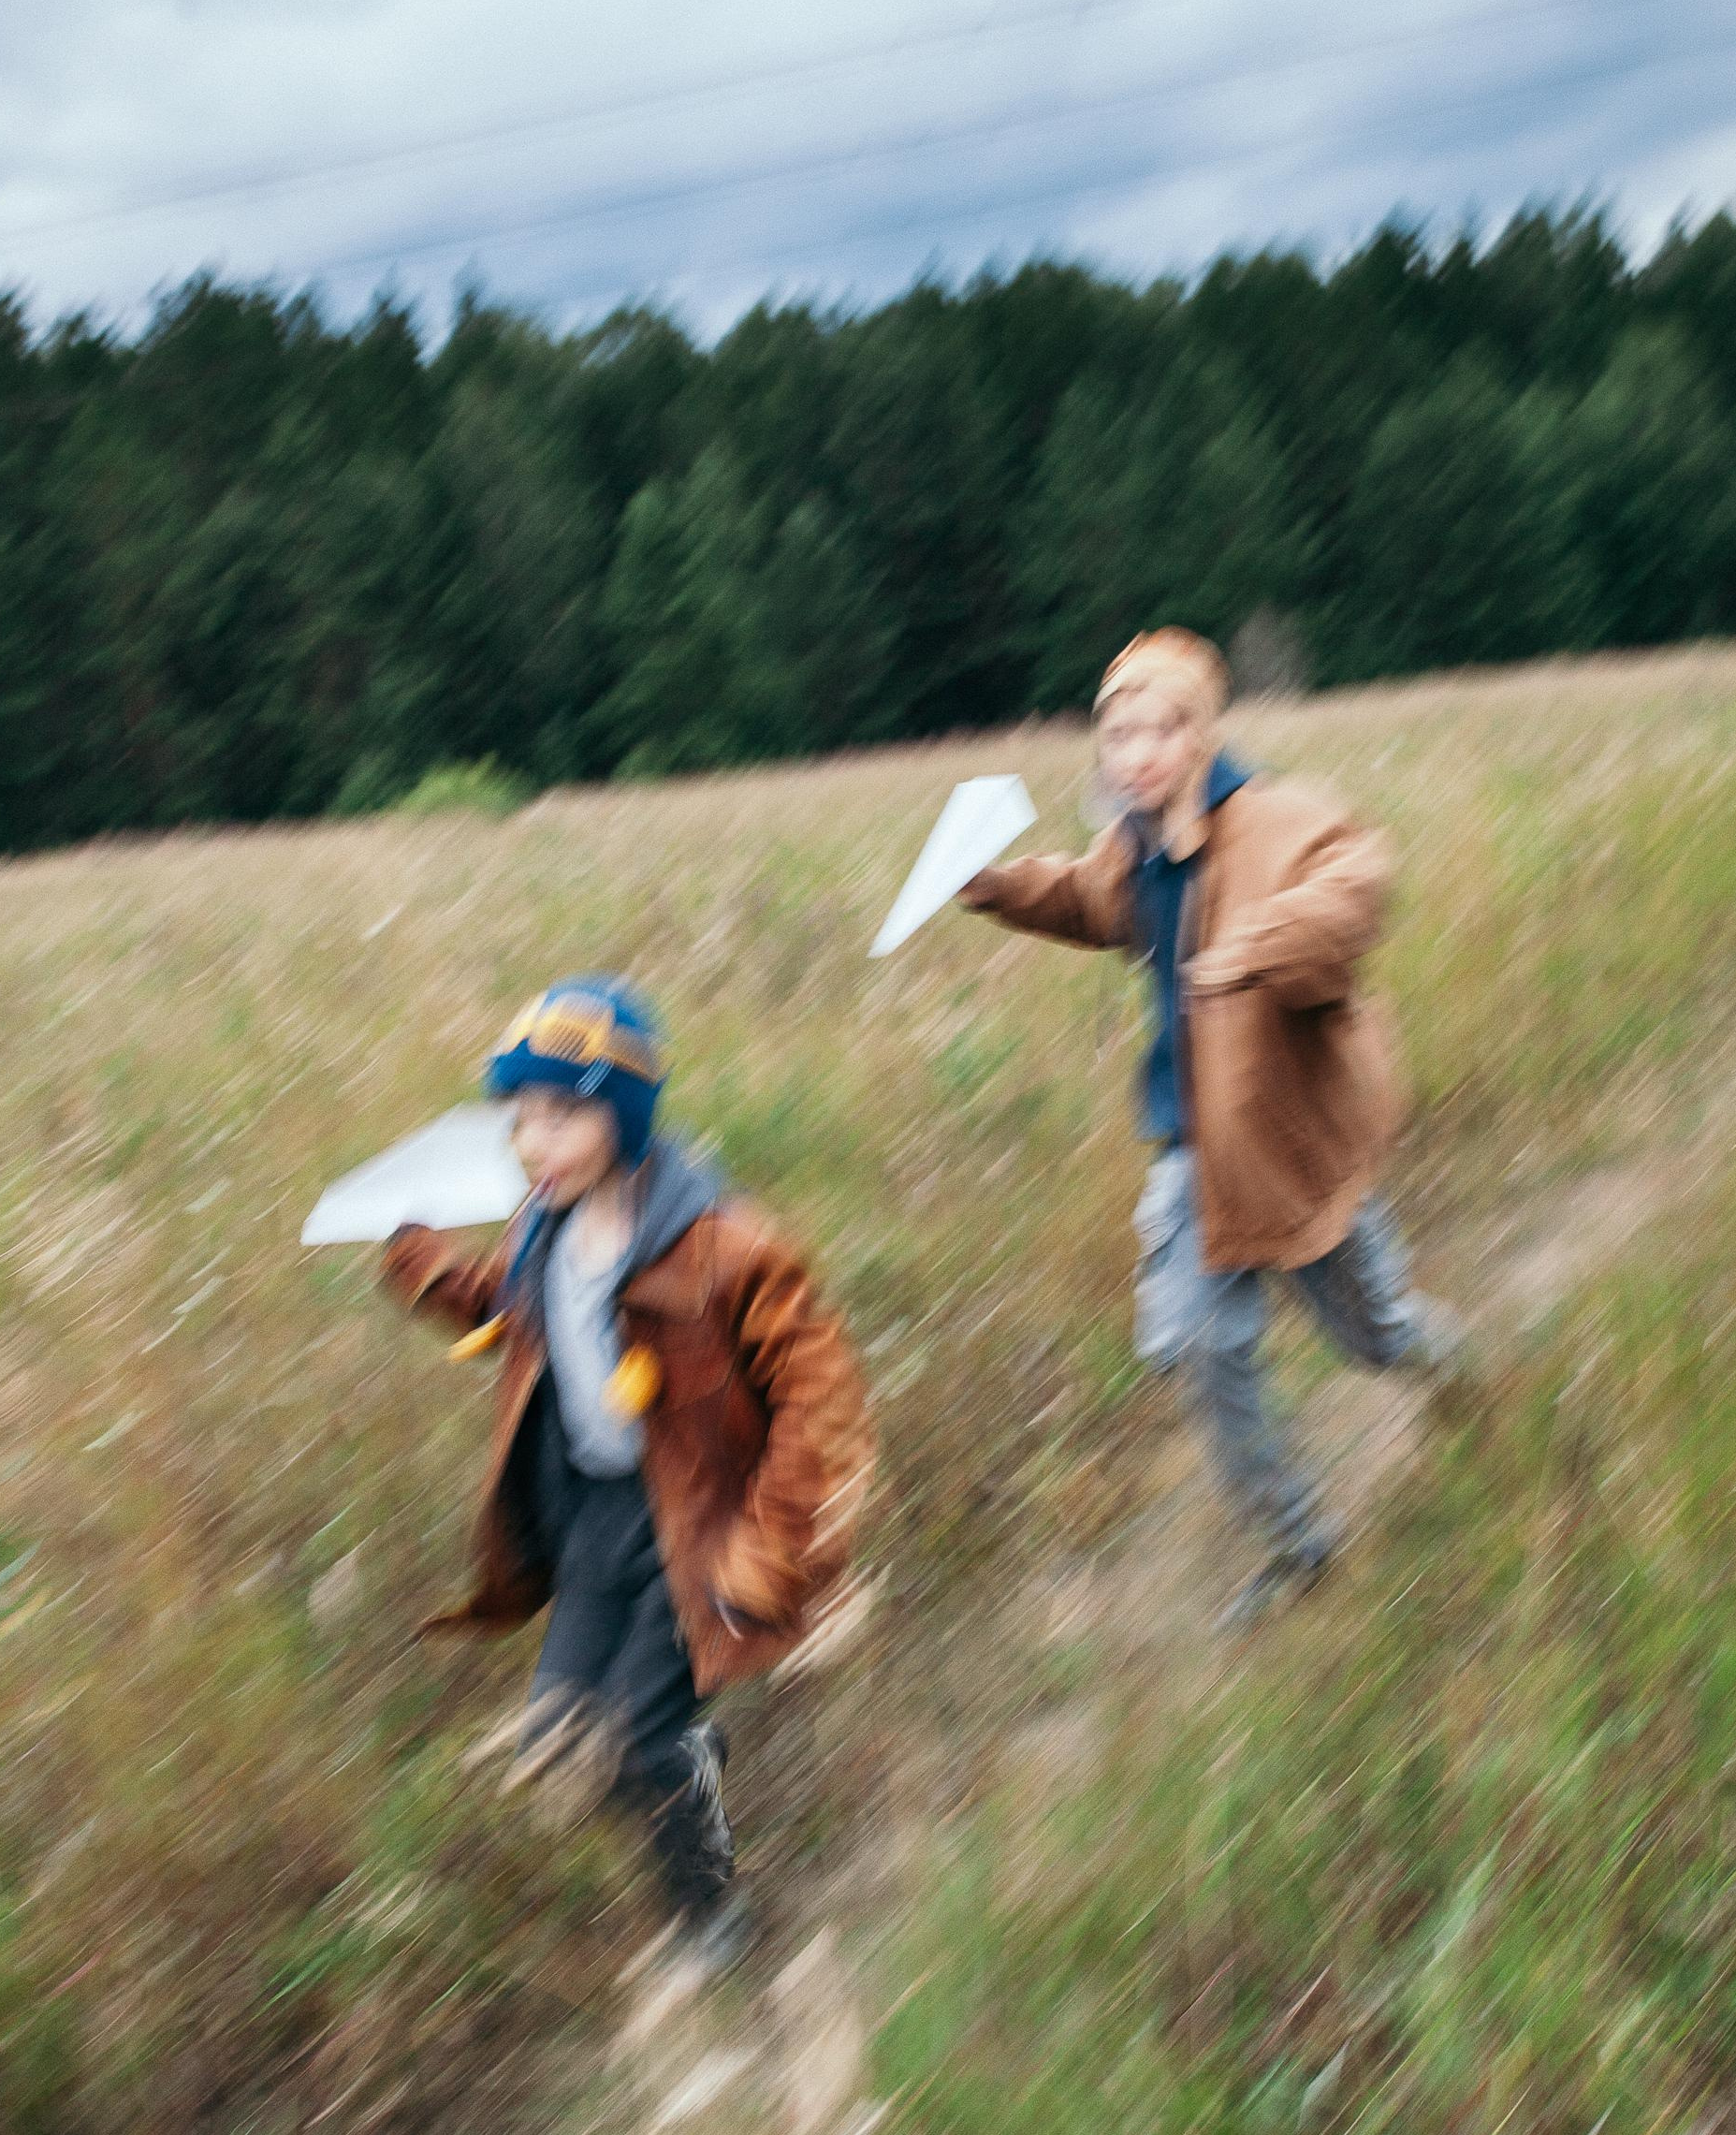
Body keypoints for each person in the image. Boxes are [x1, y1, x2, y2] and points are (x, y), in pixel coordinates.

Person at [959, 628, 1462, 1630]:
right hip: (1193, 1155)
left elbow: (1356, 884)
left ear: (1200, 732)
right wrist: (987, 883)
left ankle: (1458, 1369)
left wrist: (1256, 948)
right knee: (1205, 1348)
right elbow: (1085, 897)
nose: (1136, 750)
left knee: (1378, 1335)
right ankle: (1298, 1547)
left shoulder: (1272, 818)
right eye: (1118, 732)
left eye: (1161, 727)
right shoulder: (1134, 845)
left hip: (1286, 1146)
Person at [381, 974, 872, 1969]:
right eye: (519, 1119)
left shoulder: (725, 1249)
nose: (532, 1143)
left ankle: (711, 1918)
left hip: (690, 1520)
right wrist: (424, 1264)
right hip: (590, 1519)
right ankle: (688, 1772)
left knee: (642, 1734)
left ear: (621, 1111)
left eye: (560, 1116)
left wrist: (767, 1553)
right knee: (558, 1744)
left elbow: (821, 1410)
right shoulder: (542, 1225)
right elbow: (514, 1313)